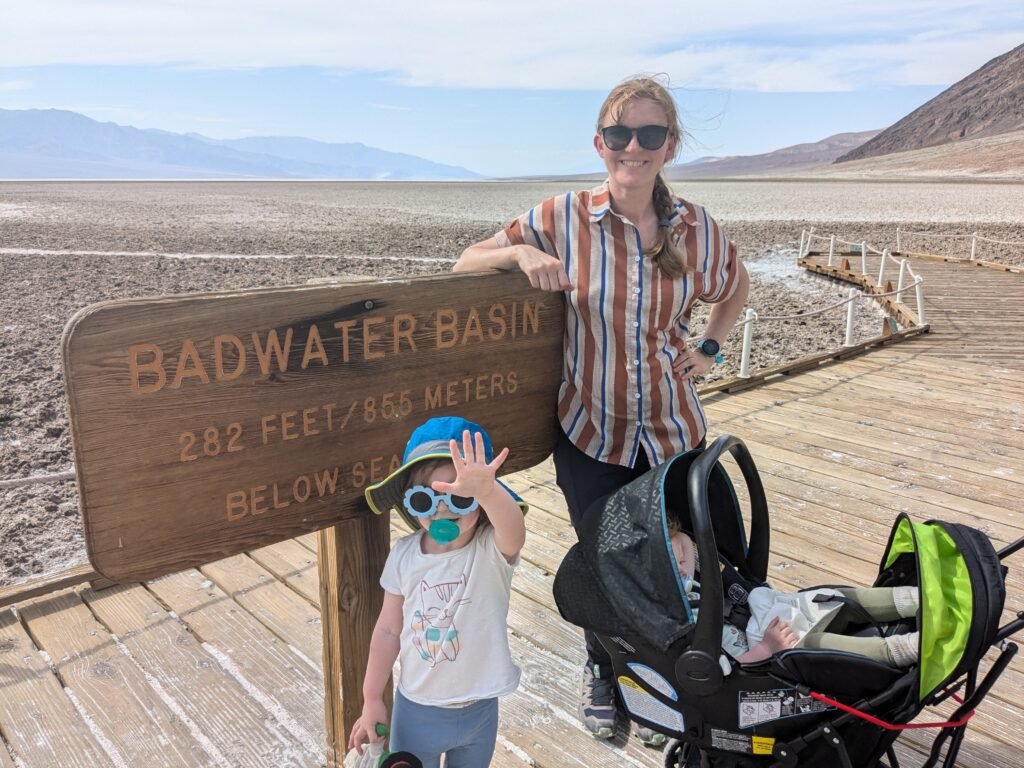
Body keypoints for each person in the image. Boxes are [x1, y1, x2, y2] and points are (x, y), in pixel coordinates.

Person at [454, 74, 750, 742]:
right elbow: (464, 262)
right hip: (593, 436)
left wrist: (709, 349)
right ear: (600, 143)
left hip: (676, 434)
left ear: (668, 147)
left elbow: (736, 288)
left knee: (692, 558)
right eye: (621, 135)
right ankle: (605, 667)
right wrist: (522, 251)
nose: (633, 148)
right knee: (605, 565)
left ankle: (679, 679)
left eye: (650, 135)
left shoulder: (696, 228)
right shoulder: (563, 218)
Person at [349, 416, 528, 768]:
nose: (442, 508)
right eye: (424, 499)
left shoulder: (490, 550)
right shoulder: (403, 555)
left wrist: (489, 491)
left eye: (461, 497)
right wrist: (372, 698)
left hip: (480, 709)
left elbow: (515, 532)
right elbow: (387, 631)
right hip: (417, 711)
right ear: (410, 504)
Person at [669, 526, 920, 667]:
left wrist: (677, 543)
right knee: (816, 646)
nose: (682, 568)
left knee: (835, 598)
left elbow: (684, 539)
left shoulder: (694, 579)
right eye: (672, 564)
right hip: (761, 664)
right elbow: (723, 671)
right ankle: (906, 649)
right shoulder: (678, 624)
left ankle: (916, 599)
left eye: (682, 559)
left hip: (766, 619)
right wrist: (768, 647)